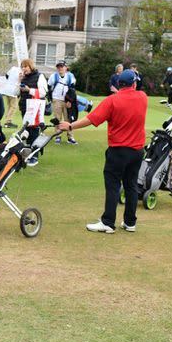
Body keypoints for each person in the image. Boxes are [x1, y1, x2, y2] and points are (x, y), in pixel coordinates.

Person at [58, 70, 148, 234]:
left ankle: (108, 222)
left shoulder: (112, 101)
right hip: (137, 151)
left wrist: (70, 126)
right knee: (131, 185)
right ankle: (130, 222)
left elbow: (91, 119)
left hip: (119, 150)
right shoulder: (143, 97)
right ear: (134, 84)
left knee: (113, 185)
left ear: (118, 84)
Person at [18, 58, 48, 166]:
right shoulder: (23, 77)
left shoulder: (40, 76)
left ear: (30, 66)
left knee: (34, 132)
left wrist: (29, 90)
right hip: (24, 107)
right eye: (22, 67)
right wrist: (19, 81)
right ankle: (28, 154)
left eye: (25, 66)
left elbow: (43, 93)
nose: (23, 69)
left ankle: (34, 156)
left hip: (35, 108)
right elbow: (16, 92)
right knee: (26, 131)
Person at [48, 61, 77, 145]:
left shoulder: (70, 76)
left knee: (68, 119)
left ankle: (70, 137)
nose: (60, 68)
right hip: (56, 99)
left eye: (62, 66)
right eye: (58, 67)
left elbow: (72, 89)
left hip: (67, 100)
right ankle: (58, 136)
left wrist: (70, 101)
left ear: (66, 67)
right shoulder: (53, 76)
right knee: (57, 118)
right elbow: (49, 87)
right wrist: (50, 99)